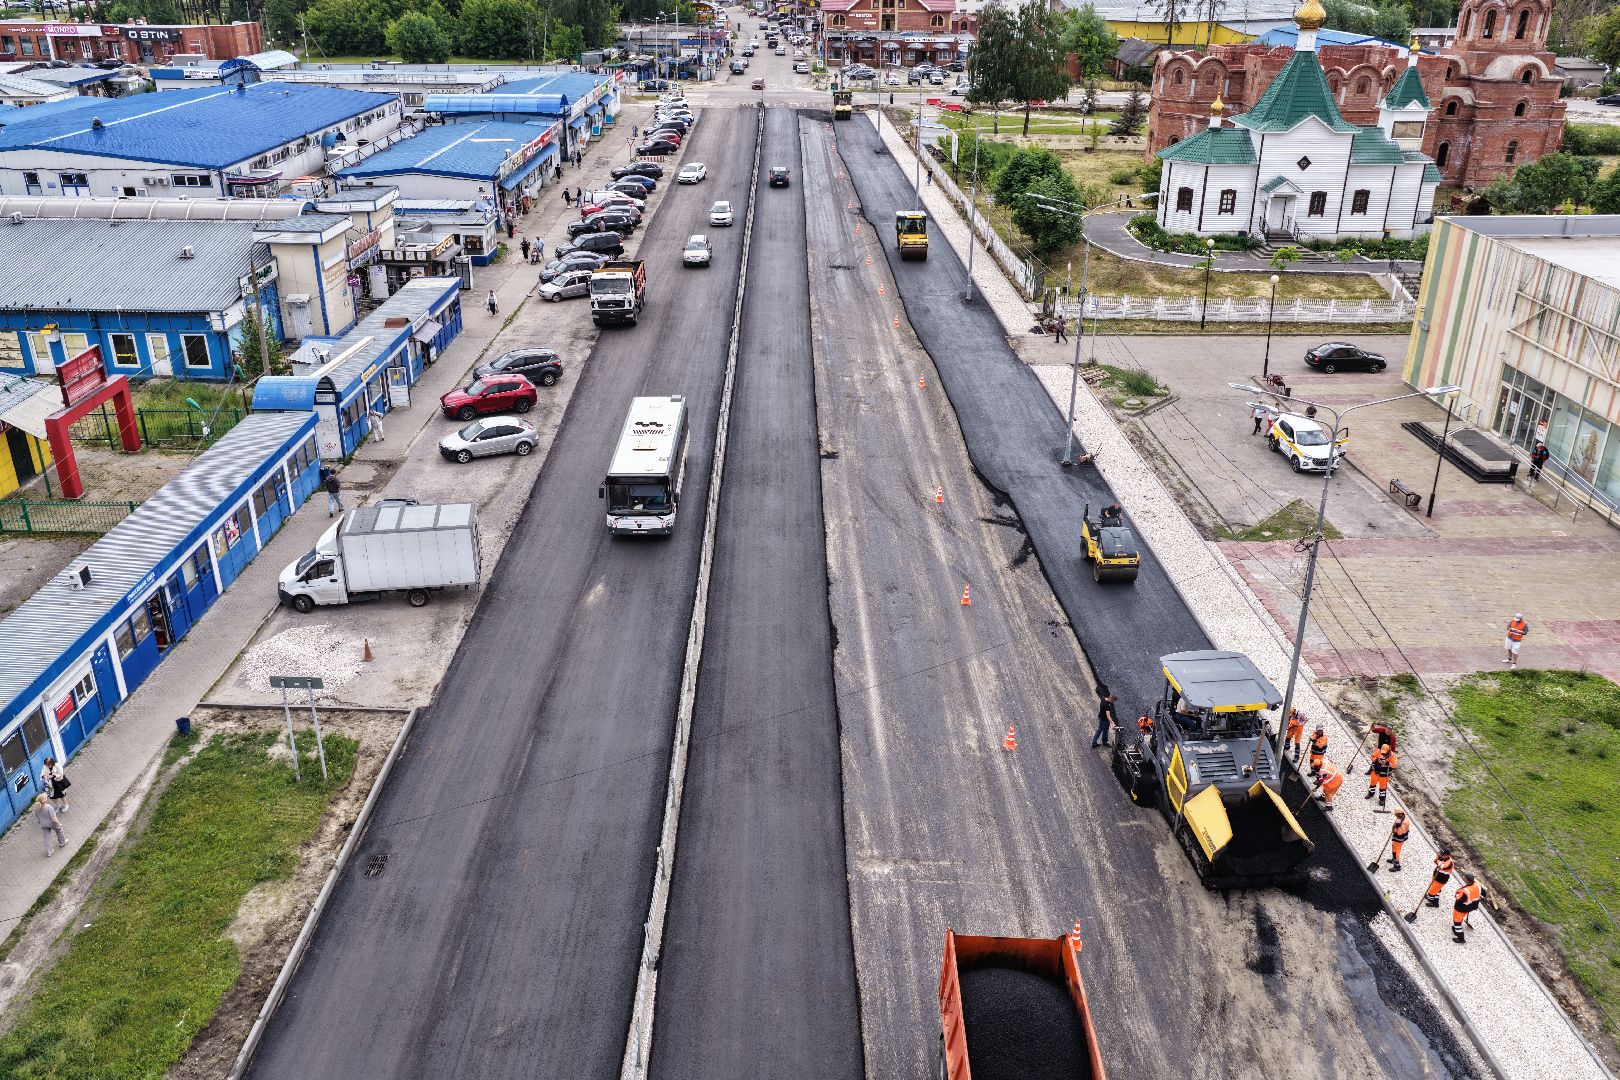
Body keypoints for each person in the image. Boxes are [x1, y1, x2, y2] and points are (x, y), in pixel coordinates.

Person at [1452, 873, 1482, 943]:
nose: (1463, 878)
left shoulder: (1465, 891)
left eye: (1464, 878)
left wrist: (1457, 892)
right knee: (1461, 917)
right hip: (1470, 906)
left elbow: (1459, 899)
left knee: (1456, 921)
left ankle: (1460, 938)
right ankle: (1456, 928)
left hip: (1461, 908)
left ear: (1467, 880)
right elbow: (1483, 893)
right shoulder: (1478, 885)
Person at [1365, 743, 1398, 807]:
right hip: (1375, 772)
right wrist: (1377, 760)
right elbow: (1372, 757)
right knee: (1372, 784)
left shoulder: (1392, 755)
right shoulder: (1378, 751)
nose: (1383, 753)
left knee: (1383, 787)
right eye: (1382, 751)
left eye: (1384, 752)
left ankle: (1382, 799)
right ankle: (1370, 794)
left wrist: (1387, 763)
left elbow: (1394, 764)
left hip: (1384, 775)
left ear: (1388, 750)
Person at [33, 793, 65, 857]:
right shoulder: (48, 807)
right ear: (45, 800)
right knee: (59, 831)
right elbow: (53, 818)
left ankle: (50, 851)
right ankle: (62, 842)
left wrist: (41, 822)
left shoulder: (36, 809)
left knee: (46, 838)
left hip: (44, 825)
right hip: (52, 823)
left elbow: (38, 819)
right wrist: (59, 823)